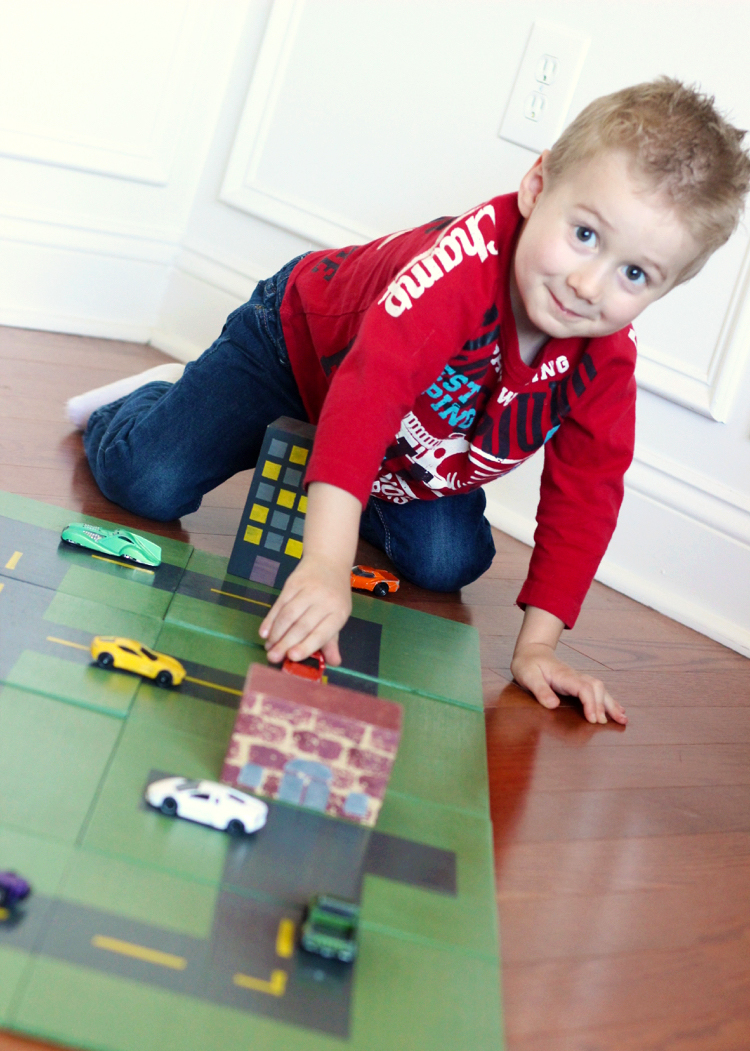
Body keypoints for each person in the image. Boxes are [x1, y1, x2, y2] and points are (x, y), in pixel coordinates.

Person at [69, 77, 750, 725]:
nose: (588, 284)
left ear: (664, 289)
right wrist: (326, 564)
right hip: (296, 351)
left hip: (409, 446)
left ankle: (339, 480)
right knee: (147, 478)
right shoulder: (461, 268)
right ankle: (156, 403)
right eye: (584, 234)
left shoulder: (604, 356)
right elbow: (369, 394)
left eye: (634, 273)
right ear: (537, 186)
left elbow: (588, 491)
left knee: (449, 563)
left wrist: (537, 646)